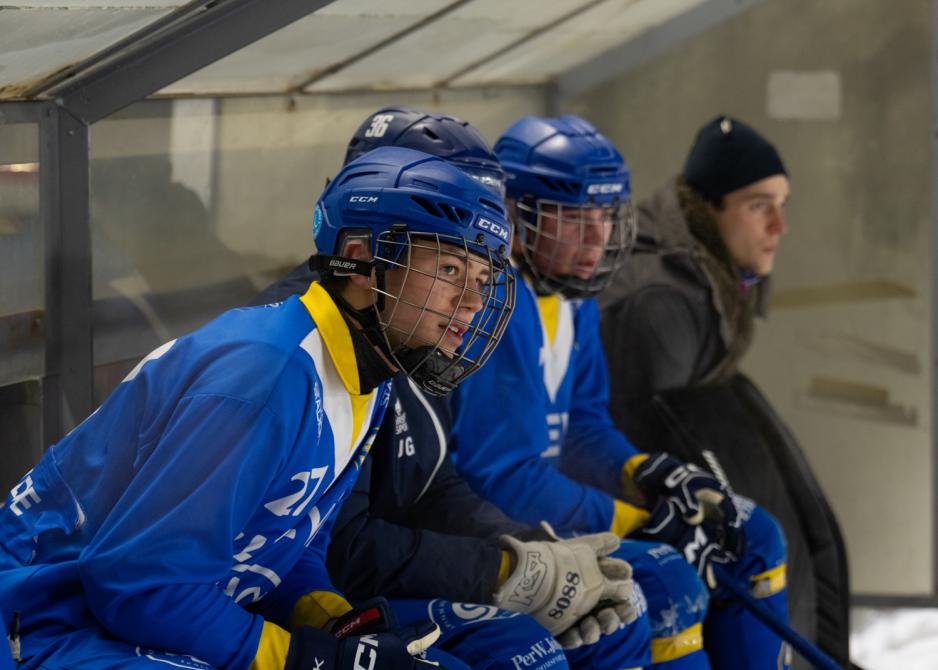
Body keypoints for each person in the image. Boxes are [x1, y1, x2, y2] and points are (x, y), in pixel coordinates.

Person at [0, 146, 515, 670]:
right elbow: (141, 586)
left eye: (480, 279)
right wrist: (311, 660)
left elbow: (281, 544)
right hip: (44, 622)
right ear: (362, 261)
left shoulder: (370, 371)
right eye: (451, 269)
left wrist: (335, 623)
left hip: (133, 618)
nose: (472, 302)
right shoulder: (264, 378)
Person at [253, 107, 649, 670]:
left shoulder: (411, 324)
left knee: (620, 616)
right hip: (301, 607)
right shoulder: (295, 349)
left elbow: (436, 485)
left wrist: (534, 549)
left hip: (345, 593)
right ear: (372, 243)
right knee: (524, 654)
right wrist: (507, 575)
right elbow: (338, 543)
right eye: (449, 261)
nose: (471, 297)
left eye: (482, 261)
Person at [450, 115, 791, 670]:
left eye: (607, 216)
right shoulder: (494, 305)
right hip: (496, 530)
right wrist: (637, 521)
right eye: (574, 218)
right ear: (514, 216)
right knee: (665, 578)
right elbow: (505, 479)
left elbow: (582, 426)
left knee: (750, 530)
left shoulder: (572, 292)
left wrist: (647, 474)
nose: (598, 238)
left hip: (550, 512)